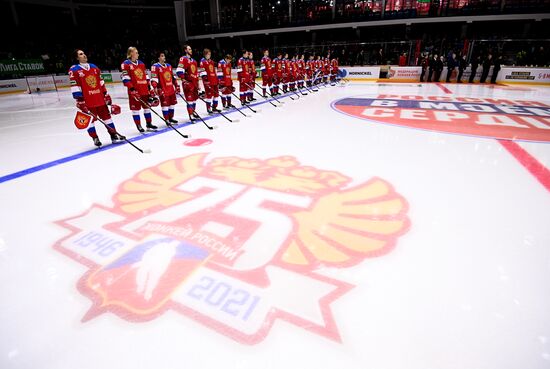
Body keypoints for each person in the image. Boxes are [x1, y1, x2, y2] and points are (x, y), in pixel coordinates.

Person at [69, 49, 124, 147]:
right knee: (90, 121)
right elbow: (75, 86)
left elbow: (101, 82)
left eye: (84, 53)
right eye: (81, 54)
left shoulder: (94, 67)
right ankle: (95, 138)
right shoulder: (74, 70)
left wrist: (105, 94)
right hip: (88, 101)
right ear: (77, 58)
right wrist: (80, 100)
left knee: (107, 118)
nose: (84, 55)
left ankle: (113, 135)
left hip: (99, 99)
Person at [121, 47, 158, 132]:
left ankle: (149, 124)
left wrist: (149, 88)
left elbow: (146, 76)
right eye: (136, 52)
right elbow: (125, 78)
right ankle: (139, 125)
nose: (138, 54)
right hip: (135, 91)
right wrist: (132, 89)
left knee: (147, 108)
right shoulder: (125, 64)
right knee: (135, 110)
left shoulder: (141, 63)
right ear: (131, 54)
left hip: (144, 90)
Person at [150, 51, 179, 124]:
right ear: (158, 58)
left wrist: (176, 85)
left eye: (164, 56)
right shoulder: (155, 66)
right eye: (162, 56)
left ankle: (171, 118)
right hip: (163, 89)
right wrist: (155, 87)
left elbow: (172, 77)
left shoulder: (169, 65)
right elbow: (154, 78)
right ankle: (167, 120)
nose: (164, 57)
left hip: (171, 88)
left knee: (172, 104)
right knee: (165, 105)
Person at [176, 44, 200, 122]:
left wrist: (198, 84)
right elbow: (179, 70)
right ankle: (190, 115)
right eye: (189, 49)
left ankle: (193, 112)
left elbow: (196, 74)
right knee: (190, 100)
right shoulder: (183, 59)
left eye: (191, 49)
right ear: (185, 50)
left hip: (194, 83)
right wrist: (183, 80)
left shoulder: (194, 61)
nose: (191, 50)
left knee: (194, 100)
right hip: (188, 83)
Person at [199, 48, 221, 114]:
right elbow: (202, 72)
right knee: (209, 95)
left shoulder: (211, 61)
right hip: (208, 82)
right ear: (205, 54)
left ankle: (214, 107)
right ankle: (208, 108)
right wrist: (205, 80)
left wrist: (217, 80)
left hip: (214, 81)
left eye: (210, 54)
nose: (209, 55)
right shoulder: (202, 61)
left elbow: (214, 71)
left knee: (216, 95)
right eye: (208, 54)